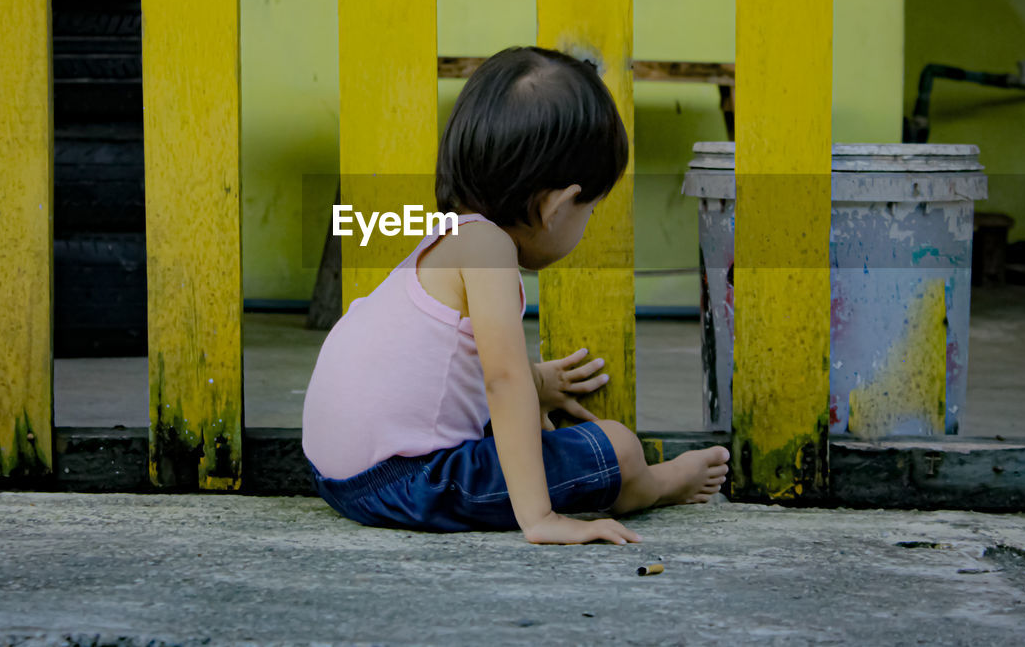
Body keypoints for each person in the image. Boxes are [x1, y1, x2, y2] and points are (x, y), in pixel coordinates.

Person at [302, 46, 729, 544]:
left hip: (335, 474)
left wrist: (536, 383)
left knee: (528, 425)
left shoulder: (452, 237)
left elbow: (448, 367)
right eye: (589, 210)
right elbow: (502, 382)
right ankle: (654, 485)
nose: (584, 225)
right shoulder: (489, 249)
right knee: (618, 446)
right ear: (557, 204)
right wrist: (539, 517)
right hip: (405, 481)